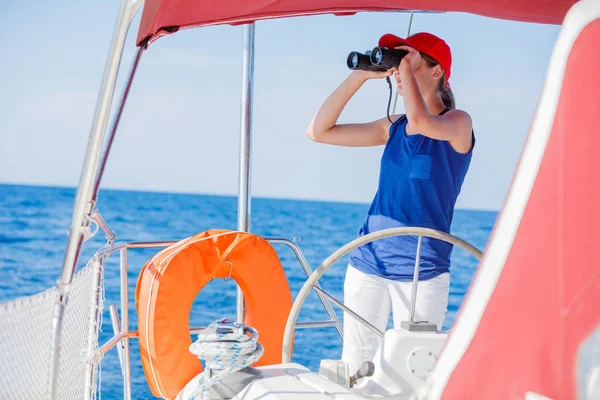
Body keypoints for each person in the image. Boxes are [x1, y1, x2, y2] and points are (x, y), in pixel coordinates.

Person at [306, 32, 475, 375]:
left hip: (420, 272)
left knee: (413, 373)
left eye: (410, 60)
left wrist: (406, 70)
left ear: (437, 71)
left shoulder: (459, 124)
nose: (399, 70)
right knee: (354, 366)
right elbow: (319, 131)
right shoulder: (393, 127)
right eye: (398, 63)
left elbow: (423, 123)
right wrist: (360, 75)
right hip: (368, 262)